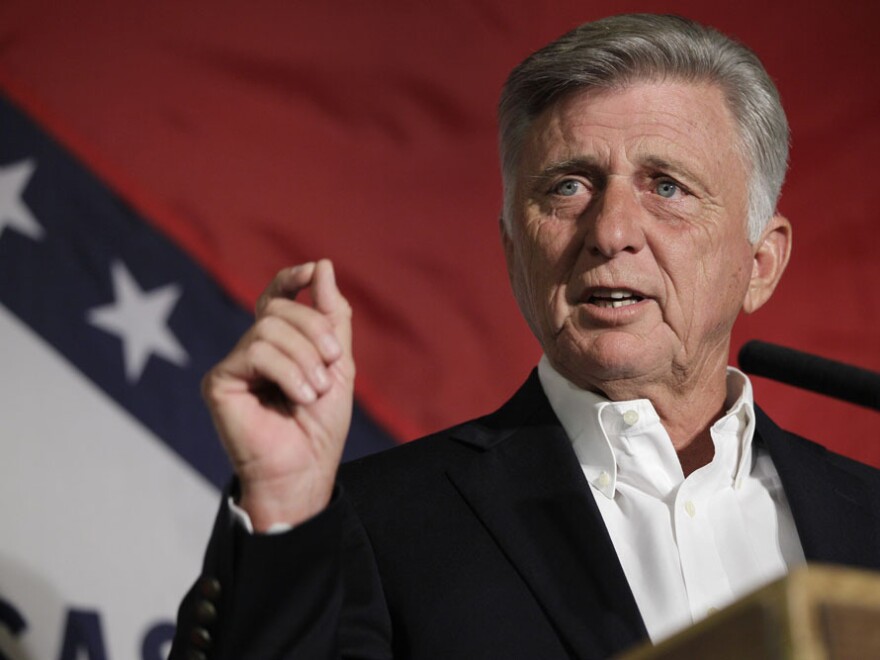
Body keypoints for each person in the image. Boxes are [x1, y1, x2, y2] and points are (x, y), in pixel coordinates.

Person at [171, 14, 880, 659]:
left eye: (666, 186)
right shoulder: (373, 523)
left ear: (760, 263)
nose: (610, 232)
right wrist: (287, 507)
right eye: (569, 187)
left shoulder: (867, 519)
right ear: (514, 251)